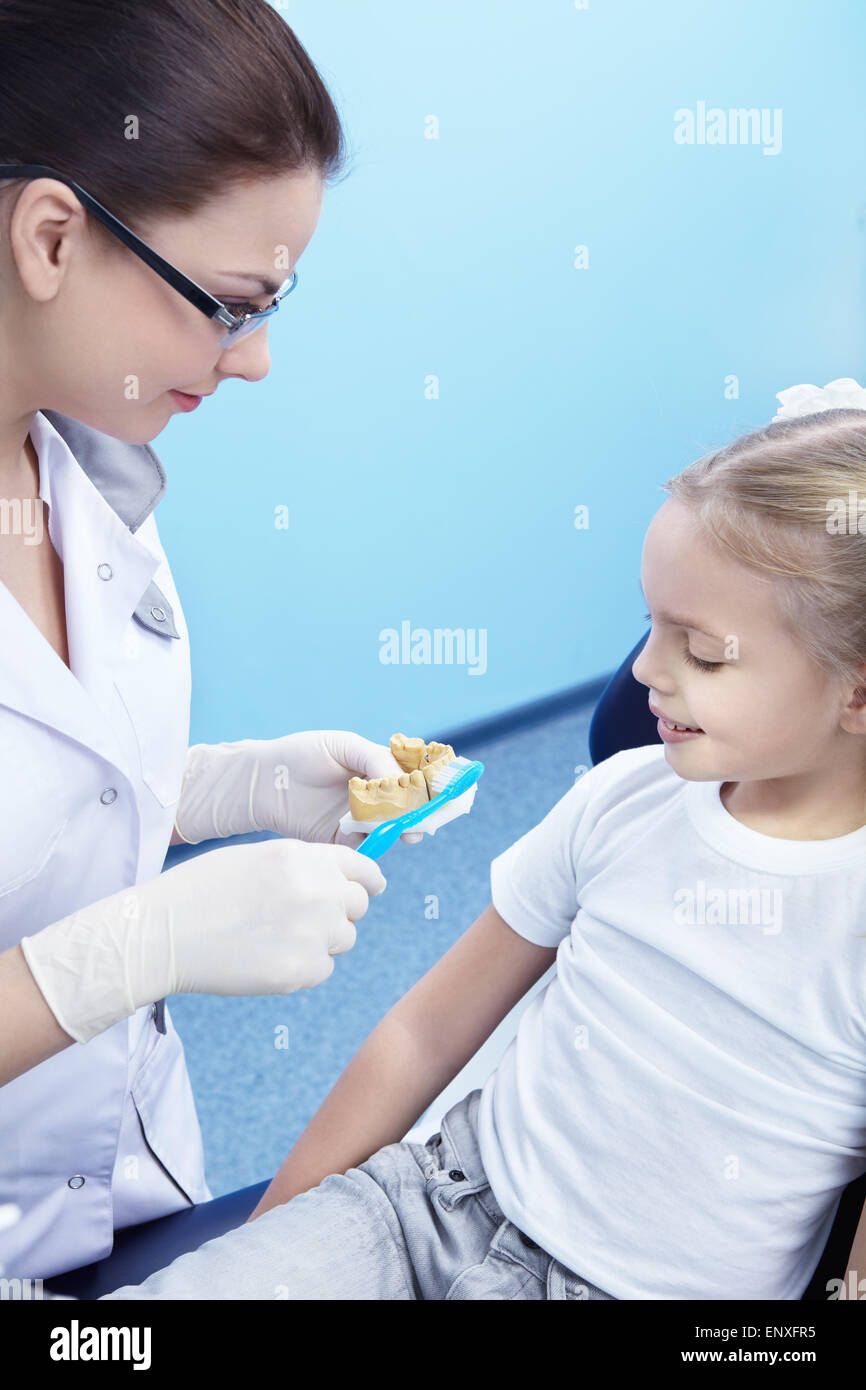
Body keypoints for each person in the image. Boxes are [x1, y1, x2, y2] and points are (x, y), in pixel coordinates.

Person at [98, 390, 866, 1300]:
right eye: (649, 625)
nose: (647, 671)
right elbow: (424, 1034)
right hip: (435, 1202)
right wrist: (276, 1241)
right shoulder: (622, 801)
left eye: (701, 652)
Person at [0, 0, 420, 1282]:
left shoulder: (90, 474)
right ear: (54, 237)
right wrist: (136, 950)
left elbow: (45, 795)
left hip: (116, 1186)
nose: (255, 361)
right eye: (232, 304)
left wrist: (219, 789)